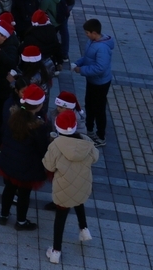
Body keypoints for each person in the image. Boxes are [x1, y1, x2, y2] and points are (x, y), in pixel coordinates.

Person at [43, 109, 98, 264]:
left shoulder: (56, 146)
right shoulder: (86, 141)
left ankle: (55, 252)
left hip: (63, 187)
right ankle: (84, 230)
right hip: (82, 184)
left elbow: (49, 165)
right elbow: (95, 157)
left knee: (60, 219)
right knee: (78, 201)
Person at [0, 84, 50, 231]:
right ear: (38, 105)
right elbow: (42, 149)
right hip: (26, 167)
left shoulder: (12, 116)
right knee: (24, 195)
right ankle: (21, 221)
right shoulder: (38, 127)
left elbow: (3, 135)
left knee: (9, 189)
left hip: (8, 161)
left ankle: (3, 215)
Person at [72, 19, 113, 147]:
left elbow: (100, 67)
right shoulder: (92, 42)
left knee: (99, 109)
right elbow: (88, 57)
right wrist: (78, 63)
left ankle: (101, 137)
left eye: (87, 33)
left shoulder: (102, 48)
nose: (86, 35)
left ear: (94, 33)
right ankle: (89, 130)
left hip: (100, 83)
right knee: (89, 104)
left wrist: (81, 70)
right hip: (92, 80)